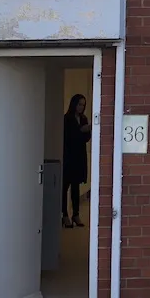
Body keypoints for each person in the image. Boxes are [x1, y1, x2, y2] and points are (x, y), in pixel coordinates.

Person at [62, 93, 92, 228]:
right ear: (74, 104)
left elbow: (86, 138)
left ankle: (76, 214)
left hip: (80, 155)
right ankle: (64, 215)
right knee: (64, 186)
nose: (81, 107)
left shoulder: (84, 118)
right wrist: (81, 130)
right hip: (69, 156)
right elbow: (69, 137)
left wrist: (86, 131)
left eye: (83, 105)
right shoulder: (67, 119)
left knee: (76, 186)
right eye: (79, 104)